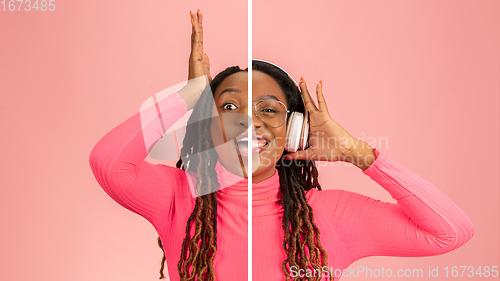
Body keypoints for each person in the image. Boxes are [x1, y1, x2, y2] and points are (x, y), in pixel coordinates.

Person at [88, 10, 474, 281]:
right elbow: (108, 163)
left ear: (294, 130)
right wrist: (188, 96)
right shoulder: (178, 198)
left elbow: (449, 233)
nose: (248, 120)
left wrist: (359, 153)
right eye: (228, 107)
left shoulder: (332, 215)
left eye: (269, 110)